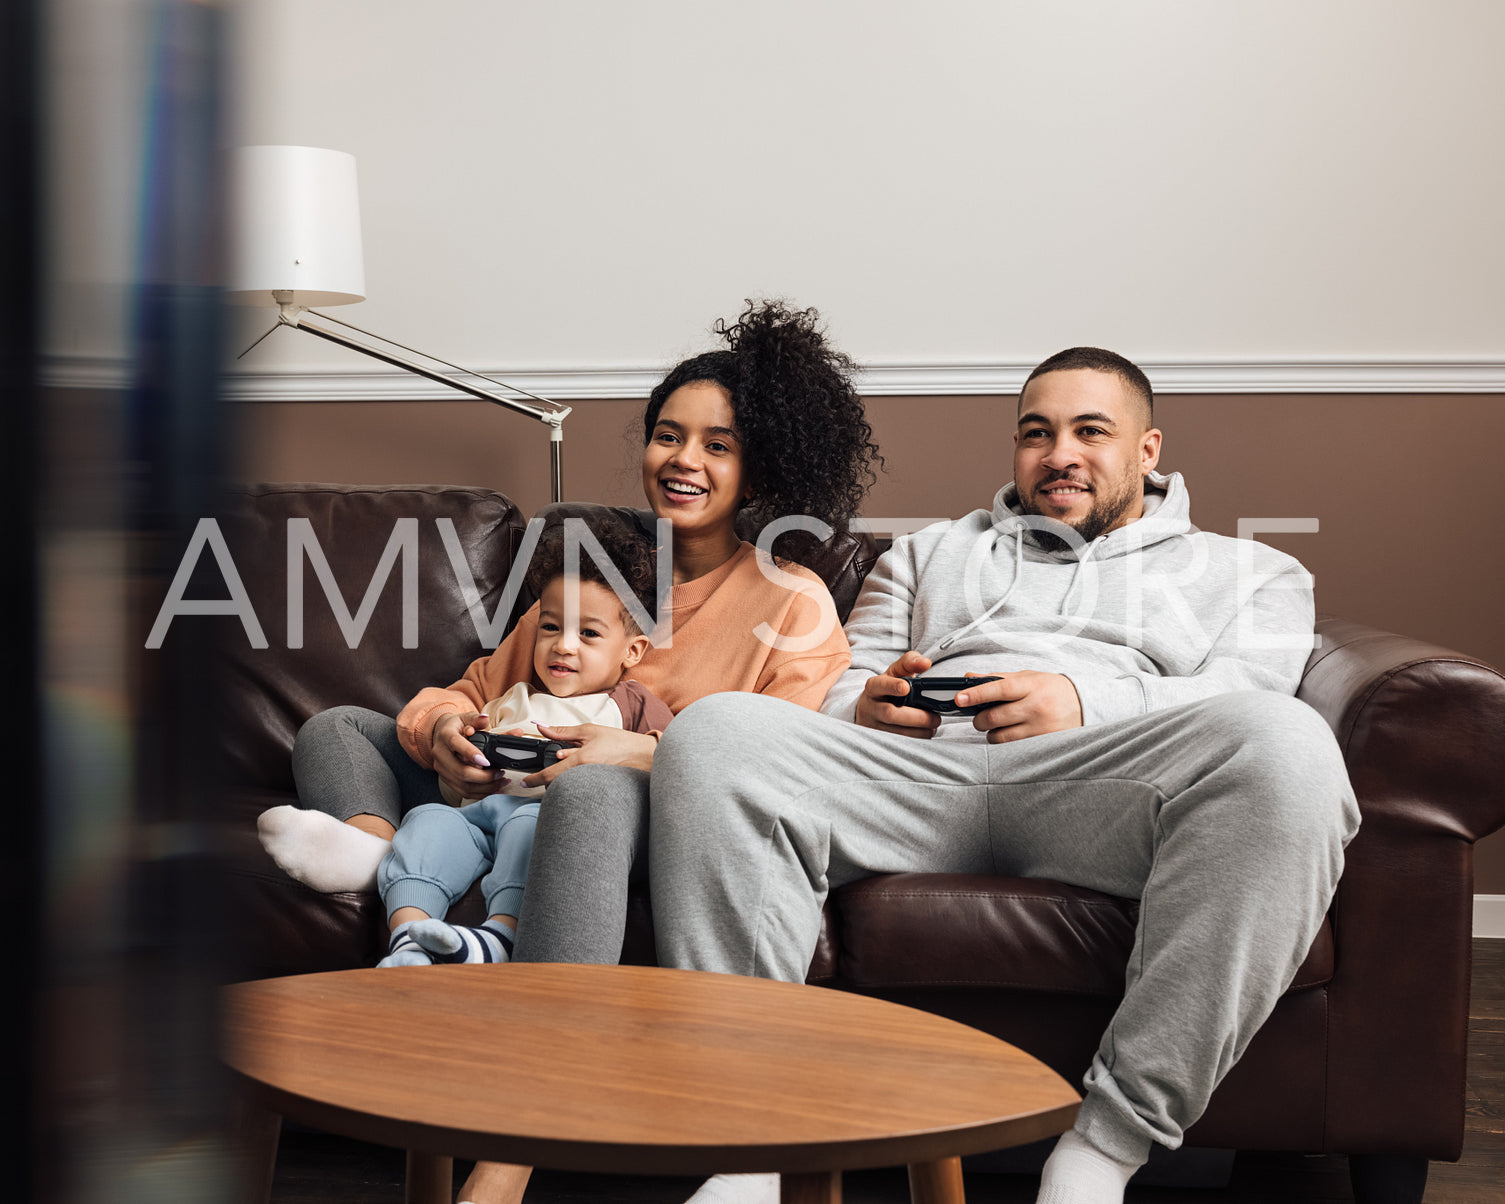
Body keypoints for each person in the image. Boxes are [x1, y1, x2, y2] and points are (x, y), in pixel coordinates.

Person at [610, 347, 1361, 1204]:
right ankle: (751, 1145)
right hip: (918, 781)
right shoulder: (928, 554)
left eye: (1090, 432)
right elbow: (845, 685)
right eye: (1035, 434)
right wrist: (871, 707)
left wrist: (1086, 700)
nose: (1059, 454)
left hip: (1110, 789)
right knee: (716, 732)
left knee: (1288, 745)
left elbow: (1245, 693)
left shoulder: (1252, 570)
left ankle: (1102, 1150)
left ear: (1147, 451)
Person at [258, 298, 883, 1204]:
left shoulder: (791, 605)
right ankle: (380, 851)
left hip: (636, 818)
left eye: (717, 444)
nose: (683, 461)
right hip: (496, 795)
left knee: (592, 793)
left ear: (760, 467)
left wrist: (626, 753)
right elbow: (471, 688)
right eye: (668, 436)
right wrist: (444, 733)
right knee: (336, 728)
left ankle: (513, 1143)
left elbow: (786, 772)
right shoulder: (596, 566)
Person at [374, 520, 673, 968]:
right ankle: (408, 938)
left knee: (526, 827)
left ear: (632, 652)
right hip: (475, 816)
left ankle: (500, 936)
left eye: (588, 634)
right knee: (426, 820)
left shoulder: (631, 705)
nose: (563, 646)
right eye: (550, 627)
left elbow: (677, 755)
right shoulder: (514, 696)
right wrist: (463, 754)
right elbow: (458, 744)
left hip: (545, 822)